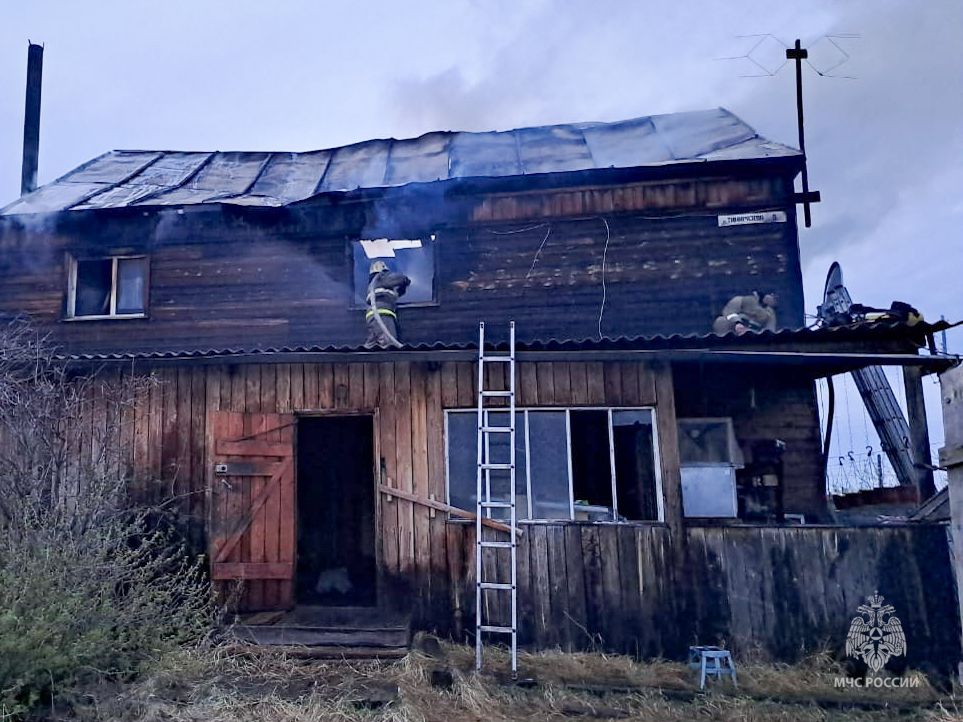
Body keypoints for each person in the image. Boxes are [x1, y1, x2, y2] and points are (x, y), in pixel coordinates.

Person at [364, 260, 411, 349]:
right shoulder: (381, 277)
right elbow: (400, 279)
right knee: (388, 344)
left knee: (373, 343)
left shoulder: (372, 285)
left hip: (372, 316)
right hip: (383, 315)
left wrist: (399, 292)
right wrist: (406, 281)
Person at [712, 291, 778, 336]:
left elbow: (770, 330)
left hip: (754, 336)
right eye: (772, 296)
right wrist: (737, 323)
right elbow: (729, 313)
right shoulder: (739, 300)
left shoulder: (770, 312)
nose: (773, 300)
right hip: (733, 330)